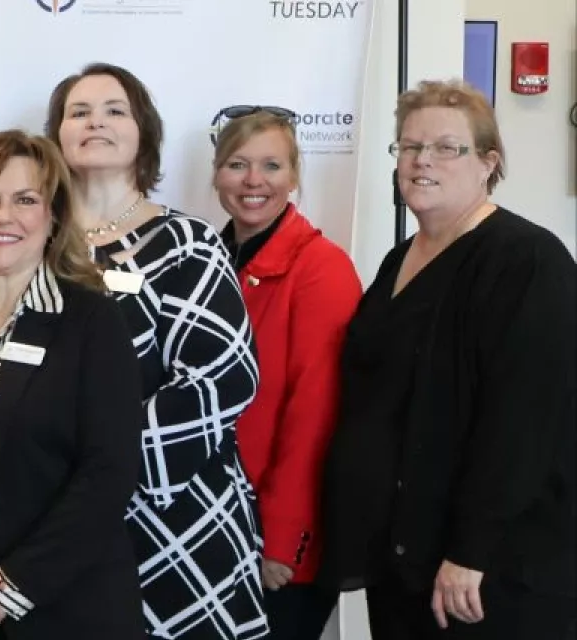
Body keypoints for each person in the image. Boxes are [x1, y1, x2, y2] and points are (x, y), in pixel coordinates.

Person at [320, 79, 577, 639]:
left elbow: (522, 423)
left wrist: (471, 552)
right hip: (405, 559)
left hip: (485, 573)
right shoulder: (398, 260)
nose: (421, 161)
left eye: (446, 147)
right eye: (409, 147)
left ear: (488, 163)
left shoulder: (527, 261)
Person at [44, 62, 265, 639]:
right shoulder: (30, 244)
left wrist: (102, 468)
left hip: (180, 521)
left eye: (115, 110)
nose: (96, 122)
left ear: (143, 131)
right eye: (79, 112)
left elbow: (222, 380)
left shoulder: (187, 244)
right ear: (57, 136)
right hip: (55, 523)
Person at [0, 129, 145, 640]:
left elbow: (109, 473)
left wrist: (8, 589)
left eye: (25, 200)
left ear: (54, 215)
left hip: (66, 607)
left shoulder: (93, 321)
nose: (2, 217)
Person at [210, 108, 361, 639]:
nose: (254, 181)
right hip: (213, 527)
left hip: (276, 549)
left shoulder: (322, 267)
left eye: (271, 165)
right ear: (216, 175)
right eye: (237, 164)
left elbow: (317, 414)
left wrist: (282, 540)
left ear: (295, 176)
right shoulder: (206, 260)